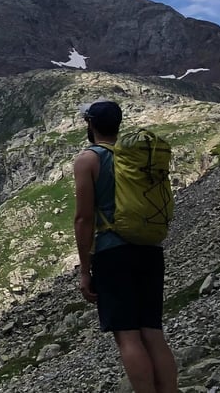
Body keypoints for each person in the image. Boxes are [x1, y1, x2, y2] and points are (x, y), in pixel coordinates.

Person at [72, 100, 178, 393]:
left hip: (112, 252)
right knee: (153, 332)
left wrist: (84, 269)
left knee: (128, 336)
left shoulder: (88, 160)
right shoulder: (134, 157)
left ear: (90, 125)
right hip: (149, 249)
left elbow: (83, 218)